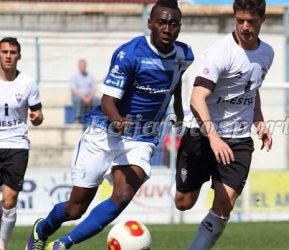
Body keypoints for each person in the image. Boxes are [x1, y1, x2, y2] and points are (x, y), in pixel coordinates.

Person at [25, 0, 193, 249]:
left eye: (173, 24)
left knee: (123, 196)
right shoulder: (130, 54)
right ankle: (43, 228)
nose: (167, 28)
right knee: (75, 208)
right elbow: (107, 102)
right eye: (161, 22)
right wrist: (118, 120)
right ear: (150, 24)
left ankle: (63, 244)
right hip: (103, 132)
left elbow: (175, 82)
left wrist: (179, 112)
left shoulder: (184, 54)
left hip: (141, 138)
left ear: (179, 27)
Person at [172, 0, 273, 249]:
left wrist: (258, 120)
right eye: (240, 20)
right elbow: (197, 98)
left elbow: (252, 87)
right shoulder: (220, 52)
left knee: (225, 203)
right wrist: (214, 138)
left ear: (263, 19)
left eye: (251, 21)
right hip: (201, 133)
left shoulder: (267, 53)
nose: (245, 27)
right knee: (183, 203)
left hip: (237, 139)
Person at [0, 37, 44, 250]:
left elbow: (38, 112)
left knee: (9, 203)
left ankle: (2, 245)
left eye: (13, 52)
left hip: (17, 145)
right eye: (4, 52)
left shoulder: (27, 82)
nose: (8, 56)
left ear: (19, 56)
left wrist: (37, 117)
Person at [70, 59, 99, 124]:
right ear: (79, 66)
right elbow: (74, 90)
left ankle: (95, 117)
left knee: (97, 100)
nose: (83, 67)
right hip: (79, 96)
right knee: (78, 100)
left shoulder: (89, 75)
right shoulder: (74, 76)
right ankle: (78, 118)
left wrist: (90, 97)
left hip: (88, 96)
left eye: (84, 66)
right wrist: (83, 98)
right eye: (81, 66)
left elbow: (94, 88)